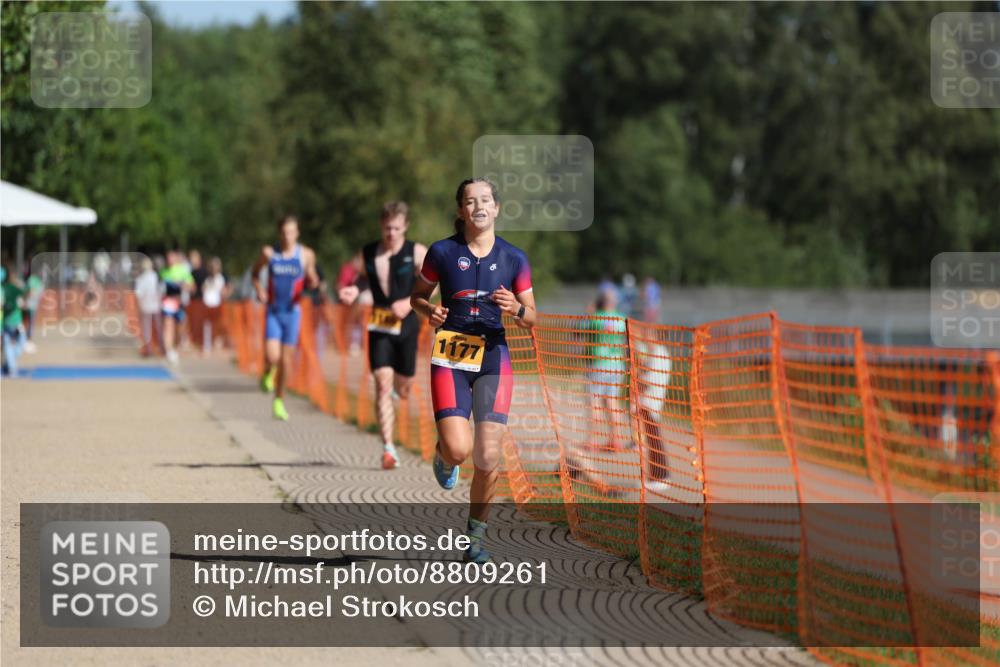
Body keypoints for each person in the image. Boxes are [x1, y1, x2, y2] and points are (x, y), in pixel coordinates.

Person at [410, 178, 536, 564]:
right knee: (460, 448)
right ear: (461, 211)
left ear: (497, 208)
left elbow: (533, 318)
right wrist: (430, 311)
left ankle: (475, 538)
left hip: (494, 358)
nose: (478, 207)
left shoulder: (514, 258)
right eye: (470, 201)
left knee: (487, 454)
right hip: (451, 356)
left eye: (485, 200)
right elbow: (416, 296)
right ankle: (443, 454)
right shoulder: (443, 252)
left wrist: (515, 308)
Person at [339, 201, 427, 470]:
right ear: (381, 226)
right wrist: (352, 290)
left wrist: (412, 301)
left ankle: (399, 394)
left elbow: (433, 283)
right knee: (382, 383)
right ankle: (388, 449)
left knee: (403, 387)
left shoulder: (417, 252)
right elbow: (355, 278)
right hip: (379, 325)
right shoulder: (368, 253)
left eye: (397, 228)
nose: (391, 233)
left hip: (407, 325)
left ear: (405, 227)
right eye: (387, 227)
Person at [252, 215, 320, 421]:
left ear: (297, 233)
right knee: (273, 357)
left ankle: (279, 401)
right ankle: (267, 373)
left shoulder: (306, 254)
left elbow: (312, 277)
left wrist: (313, 281)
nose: (288, 236)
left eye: (292, 232)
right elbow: (255, 274)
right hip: (273, 311)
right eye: (284, 232)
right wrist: (259, 289)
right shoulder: (269, 253)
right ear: (279, 233)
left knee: (286, 361)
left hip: (293, 313)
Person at [159, 250, 195, 365]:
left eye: (172, 258)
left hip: (179, 303)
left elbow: (192, 286)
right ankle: (169, 350)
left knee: (182, 325)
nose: (170, 260)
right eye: (168, 258)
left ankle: (178, 345)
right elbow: (159, 288)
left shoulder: (183, 271)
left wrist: (181, 284)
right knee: (168, 326)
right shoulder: (163, 272)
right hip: (167, 303)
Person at [200, 256, 229, 354]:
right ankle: (207, 345)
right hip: (207, 304)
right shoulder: (207, 279)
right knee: (207, 325)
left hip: (217, 304)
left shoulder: (221, 278)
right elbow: (203, 289)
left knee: (218, 325)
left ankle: (218, 342)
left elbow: (225, 291)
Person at [134, 257, 162, 357]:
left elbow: (138, 294)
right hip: (155, 306)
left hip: (146, 306)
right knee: (158, 327)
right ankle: (160, 347)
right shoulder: (156, 276)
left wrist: (139, 306)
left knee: (147, 329)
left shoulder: (141, 279)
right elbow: (161, 290)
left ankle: (149, 348)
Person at [1, 266, 25, 377]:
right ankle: (11, 367)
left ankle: (9, 365)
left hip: (11, 321)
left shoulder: (6, 288)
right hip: (11, 321)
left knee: (12, 343)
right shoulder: (8, 288)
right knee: (13, 343)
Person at [22, 267, 44, 353]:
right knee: (28, 323)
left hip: (32, 305)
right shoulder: (34, 280)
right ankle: (27, 341)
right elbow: (31, 291)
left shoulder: (36, 280)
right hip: (29, 305)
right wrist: (25, 300)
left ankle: (27, 341)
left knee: (29, 323)